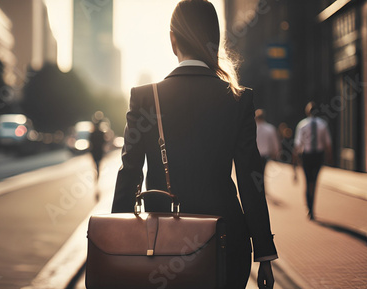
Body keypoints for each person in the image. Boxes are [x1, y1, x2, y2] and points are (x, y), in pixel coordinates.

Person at [111, 1, 277, 288]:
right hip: (226, 243)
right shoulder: (238, 99)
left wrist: (116, 246)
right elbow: (252, 180)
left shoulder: (145, 97)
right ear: (216, 41)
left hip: (161, 243)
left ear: (172, 39)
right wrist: (264, 252)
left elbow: (129, 173)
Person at [293, 101, 332, 220]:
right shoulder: (322, 124)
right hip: (316, 156)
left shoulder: (302, 125)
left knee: (308, 180)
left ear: (307, 112)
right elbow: (328, 144)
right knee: (313, 182)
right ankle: (311, 207)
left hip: (308, 156)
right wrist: (329, 158)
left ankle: (310, 207)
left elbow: (298, 144)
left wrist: (295, 160)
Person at [255, 109, 281, 174]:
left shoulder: (252, 130)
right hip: (266, 155)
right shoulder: (270, 128)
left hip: (255, 154)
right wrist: (276, 152)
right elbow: (275, 142)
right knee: (263, 173)